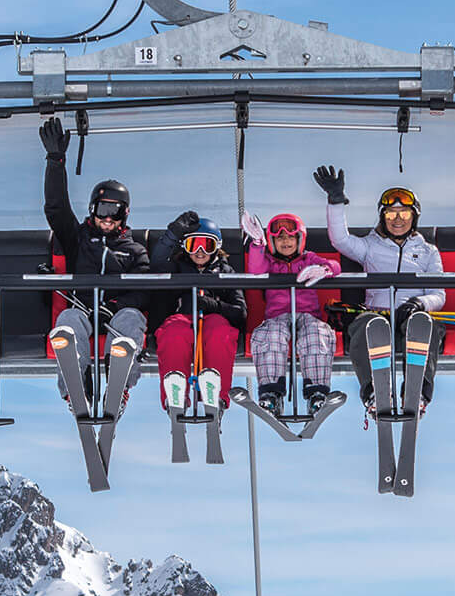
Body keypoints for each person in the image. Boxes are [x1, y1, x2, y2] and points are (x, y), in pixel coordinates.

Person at [311, 168, 446, 411]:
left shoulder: (428, 251)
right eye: (391, 213)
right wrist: (336, 201)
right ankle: (374, 392)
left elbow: (438, 294)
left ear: (413, 216)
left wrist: (418, 304)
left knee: (426, 325)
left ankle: (418, 393)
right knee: (365, 324)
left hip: (411, 317)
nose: (397, 219)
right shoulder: (369, 246)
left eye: (404, 212)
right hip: (377, 315)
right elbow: (340, 240)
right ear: (382, 216)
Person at [40, 117, 149, 409]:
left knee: (131, 319)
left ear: (124, 216)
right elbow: (56, 208)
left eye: (115, 212)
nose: (107, 218)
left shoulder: (134, 250)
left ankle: (119, 384)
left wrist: (114, 304)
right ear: (92, 209)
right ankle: (76, 390)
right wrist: (55, 161)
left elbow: (143, 289)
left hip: (115, 315)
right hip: (83, 310)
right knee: (67, 323)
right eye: (103, 209)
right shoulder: (78, 239)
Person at [237, 210, 342, 414]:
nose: (286, 241)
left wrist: (324, 270)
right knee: (270, 336)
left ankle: (317, 392)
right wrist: (258, 244)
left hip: (308, 316)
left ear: (300, 239)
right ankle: (271, 393)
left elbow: (335, 266)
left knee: (316, 335)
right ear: (272, 242)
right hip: (277, 317)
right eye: (280, 238)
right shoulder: (269, 262)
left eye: (290, 237)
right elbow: (256, 269)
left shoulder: (308, 258)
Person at [148, 213, 245, 411]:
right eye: (194, 245)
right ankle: (176, 395)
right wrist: (173, 233)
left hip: (215, 318)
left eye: (207, 246)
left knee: (220, 333)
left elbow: (239, 311)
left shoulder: (225, 271)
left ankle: (215, 395)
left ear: (216, 248)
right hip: (182, 316)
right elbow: (157, 263)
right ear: (185, 247)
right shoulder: (176, 268)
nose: (200, 252)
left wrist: (214, 305)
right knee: (174, 333)